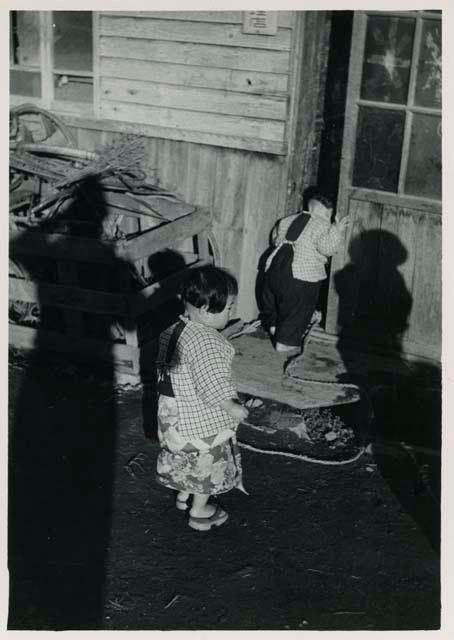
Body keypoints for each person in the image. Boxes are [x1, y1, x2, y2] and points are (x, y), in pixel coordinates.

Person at [155, 265, 249, 531]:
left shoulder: (172, 331)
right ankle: (199, 511)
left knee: (184, 457)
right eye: (229, 308)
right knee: (207, 463)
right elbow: (212, 384)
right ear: (206, 309)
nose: (232, 313)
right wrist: (231, 406)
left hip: (172, 415)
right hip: (198, 421)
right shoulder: (208, 343)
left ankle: (184, 494)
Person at [260, 192, 349, 353]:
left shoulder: (287, 220)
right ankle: (285, 342)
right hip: (300, 275)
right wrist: (337, 230)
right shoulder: (322, 225)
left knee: (274, 302)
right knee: (299, 307)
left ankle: (274, 326)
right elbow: (327, 248)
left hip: (273, 268)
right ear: (328, 212)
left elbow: (275, 239)